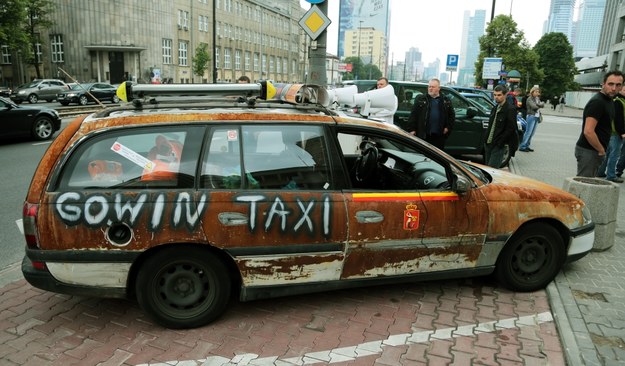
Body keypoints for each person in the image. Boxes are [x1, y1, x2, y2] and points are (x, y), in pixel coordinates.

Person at [575, 70, 624, 178]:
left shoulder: (609, 100)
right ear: (603, 83)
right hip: (589, 151)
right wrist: (601, 150)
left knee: (587, 185)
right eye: (610, 84)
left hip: (594, 150)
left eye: (618, 85)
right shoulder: (598, 102)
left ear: (621, 86)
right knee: (583, 186)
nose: (614, 88)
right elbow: (588, 131)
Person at [405, 78, 455, 150]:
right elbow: (413, 115)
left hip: (439, 136)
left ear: (439, 88)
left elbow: (451, 116)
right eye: (429, 86)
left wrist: (448, 128)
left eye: (433, 87)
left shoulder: (445, 100)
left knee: (437, 157)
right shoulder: (421, 99)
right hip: (424, 136)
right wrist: (412, 129)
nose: (430, 89)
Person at [484, 85, 517, 168]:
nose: (496, 97)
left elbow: (511, 128)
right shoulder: (495, 108)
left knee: (492, 170)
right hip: (489, 143)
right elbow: (491, 125)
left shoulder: (510, 109)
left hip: (498, 145)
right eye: (495, 95)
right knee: (487, 169)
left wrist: (500, 143)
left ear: (505, 95)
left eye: (499, 95)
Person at [597, 86, 625, 182]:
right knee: (614, 155)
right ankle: (611, 175)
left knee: (608, 153)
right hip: (616, 133)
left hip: (613, 132)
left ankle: (600, 172)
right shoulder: (618, 101)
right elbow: (618, 119)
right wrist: (622, 132)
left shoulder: (618, 100)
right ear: (620, 90)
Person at [519, 86, 545, 152]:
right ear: (532, 92)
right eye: (536, 92)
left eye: (538, 92)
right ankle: (522, 146)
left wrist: (538, 104)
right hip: (531, 116)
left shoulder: (537, 98)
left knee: (532, 133)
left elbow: (543, 104)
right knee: (528, 132)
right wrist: (539, 105)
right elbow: (534, 107)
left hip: (536, 117)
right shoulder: (529, 99)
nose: (537, 93)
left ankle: (527, 145)